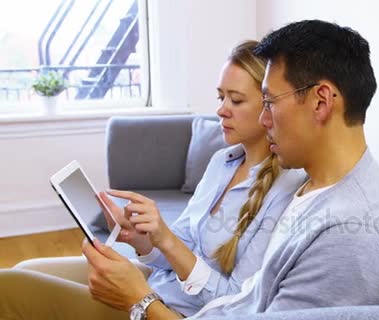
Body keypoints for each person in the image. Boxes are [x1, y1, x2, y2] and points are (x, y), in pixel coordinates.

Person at [0, 40, 306, 319]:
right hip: (155, 284)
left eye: (236, 100)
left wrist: (165, 246)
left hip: (164, 309)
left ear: (269, 106)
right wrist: (141, 236)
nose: (220, 110)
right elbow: (179, 248)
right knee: (28, 268)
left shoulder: (287, 191)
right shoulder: (221, 163)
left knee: (10, 286)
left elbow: (234, 305)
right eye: (220, 97)